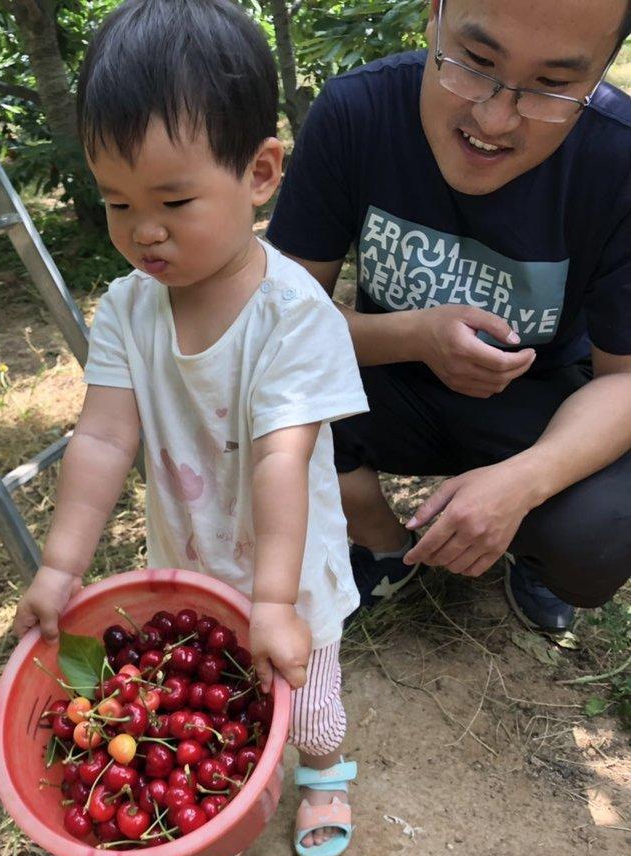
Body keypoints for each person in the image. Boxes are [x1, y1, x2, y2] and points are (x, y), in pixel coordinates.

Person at [13, 0, 368, 856]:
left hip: (293, 574)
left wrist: (279, 601)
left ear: (260, 174)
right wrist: (60, 566)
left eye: (172, 202)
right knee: (198, 716)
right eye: (118, 203)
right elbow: (100, 438)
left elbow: (282, 458)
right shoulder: (129, 310)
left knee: (308, 706)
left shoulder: (294, 315)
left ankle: (327, 773)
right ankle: (209, 830)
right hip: (192, 560)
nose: (144, 232)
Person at [267, 0, 631, 633]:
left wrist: (524, 483)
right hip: (384, 382)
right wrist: (412, 334)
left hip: (537, 401)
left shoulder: (620, 160)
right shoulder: (358, 111)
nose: (493, 118)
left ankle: (534, 555)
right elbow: (277, 322)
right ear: (433, 16)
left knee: (597, 531)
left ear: (602, 70)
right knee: (249, 394)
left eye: (552, 86)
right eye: (476, 61)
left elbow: (625, 377)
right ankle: (383, 544)